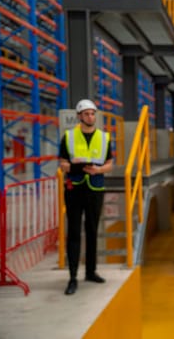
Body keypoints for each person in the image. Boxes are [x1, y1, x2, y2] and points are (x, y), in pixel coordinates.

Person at [59, 99, 113, 295]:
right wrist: (75, 166)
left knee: (92, 230)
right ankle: (72, 276)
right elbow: (62, 163)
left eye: (93, 114)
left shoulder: (104, 137)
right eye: (87, 114)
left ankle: (91, 271)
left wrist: (98, 170)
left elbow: (109, 164)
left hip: (95, 188)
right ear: (79, 116)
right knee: (73, 232)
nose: (90, 117)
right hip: (74, 188)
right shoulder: (69, 137)